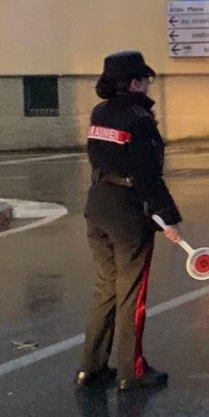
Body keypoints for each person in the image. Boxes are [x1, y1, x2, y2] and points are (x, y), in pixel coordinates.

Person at [76, 51, 183, 391]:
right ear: (135, 83)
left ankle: (91, 368)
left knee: (106, 288)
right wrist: (167, 220)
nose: (149, 84)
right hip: (127, 212)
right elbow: (148, 175)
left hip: (98, 204)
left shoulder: (99, 113)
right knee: (131, 294)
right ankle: (131, 371)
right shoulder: (139, 119)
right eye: (145, 79)